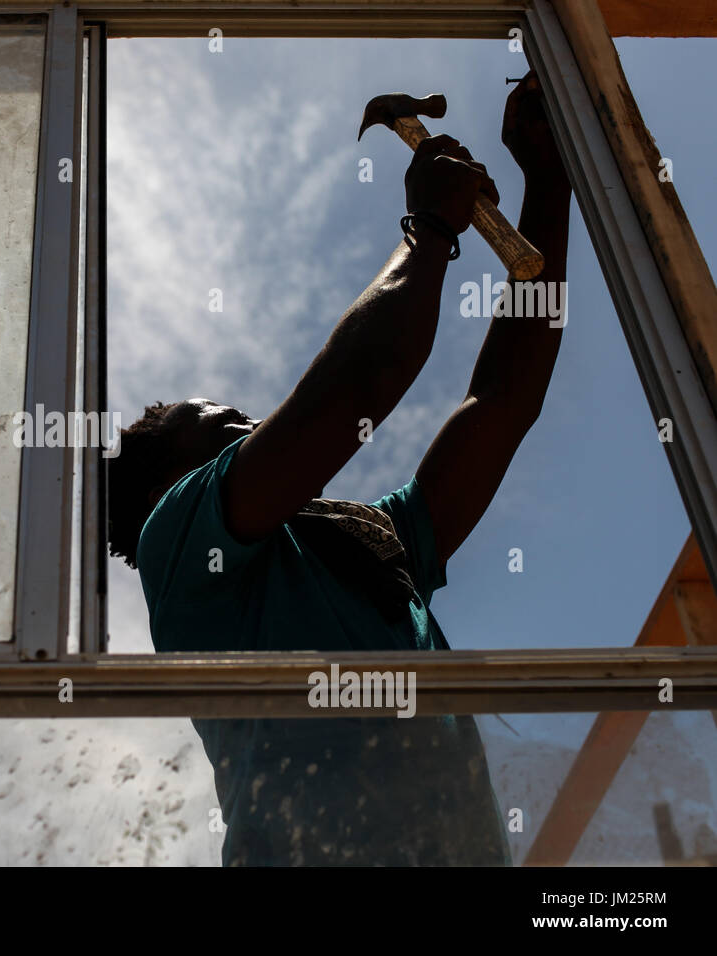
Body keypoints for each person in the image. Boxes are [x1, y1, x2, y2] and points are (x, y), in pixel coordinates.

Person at [106, 72, 571, 865]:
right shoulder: (177, 546)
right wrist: (429, 226)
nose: (255, 427)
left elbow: (501, 402)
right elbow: (352, 386)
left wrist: (548, 186)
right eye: (227, 429)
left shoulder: (367, 546)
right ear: (172, 485)